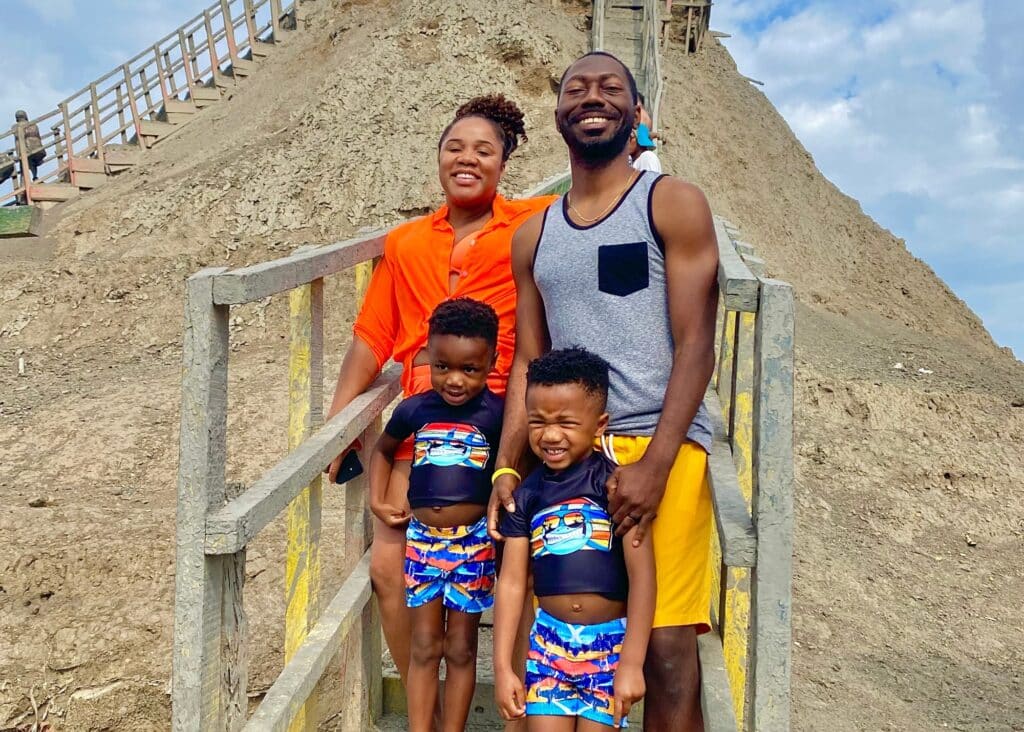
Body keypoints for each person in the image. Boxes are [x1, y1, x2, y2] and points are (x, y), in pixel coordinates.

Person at [489, 51, 718, 731]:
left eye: (611, 87)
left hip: (656, 441)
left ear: (636, 112)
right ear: (558, 114)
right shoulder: (535, 234)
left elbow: (697, 343)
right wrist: (509, 462)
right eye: (576, 89)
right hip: (568, 452)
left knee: (668, 648)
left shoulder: (670, 202)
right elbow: (530, 360)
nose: (593, 97)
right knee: (566, 617)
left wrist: (657, 461)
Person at [323, 93, 556, 717]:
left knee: (526, 570)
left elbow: (597, 212)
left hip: (502, 421)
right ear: (437, 158)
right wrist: (337, 425)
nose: (468, 159)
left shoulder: (533, 224)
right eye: (455, 147)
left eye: (485, 150)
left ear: (504, 164)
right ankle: (420, 700)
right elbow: (373, 335)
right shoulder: (404, 243)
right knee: (388, 569)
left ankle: (531, 713)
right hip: (422, 423)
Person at [494, 347, 655, 730]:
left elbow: (644, 579)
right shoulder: (527, 496)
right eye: (537, 422)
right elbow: (514, 582)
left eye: (566, 423)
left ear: (599, 425)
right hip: (549, 645)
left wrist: (632, 662)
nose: (550, 435)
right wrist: (503, 667)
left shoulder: (617, 487)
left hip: (609, 649)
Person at [370, 298, 503, 732]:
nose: (455, 380)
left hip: (474, 543)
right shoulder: (416, 408)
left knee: (462, 648)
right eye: (443, 366)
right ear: (427, 355)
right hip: (423, 542)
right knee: (425, 645)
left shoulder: (496, 416)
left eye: (470, 369)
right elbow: (384, 450)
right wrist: (377, 498)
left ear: (492, 361)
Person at [14, 111, 45, 181]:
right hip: (37, 148)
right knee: (32, 163)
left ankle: (24, 181)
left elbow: (16, 136)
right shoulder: (33, 125)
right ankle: (35, 177)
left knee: (25, 163)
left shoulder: (16, 126)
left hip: (25, 149)